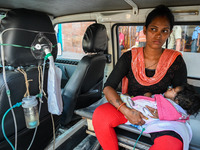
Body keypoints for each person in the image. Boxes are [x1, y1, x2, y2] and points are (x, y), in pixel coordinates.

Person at [92, 5, 188, 150]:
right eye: (153, 29)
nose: (158, 35)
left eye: (164, 31)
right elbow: (108, 87)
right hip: (132, 105)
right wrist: (127, 111)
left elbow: (182, 91)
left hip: (159, 111)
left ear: (169, 33)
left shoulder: (175, 60)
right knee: (100, 115)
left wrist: (164, 108)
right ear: (145, 30)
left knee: (172, 145)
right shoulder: (129, 57)